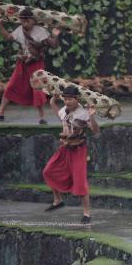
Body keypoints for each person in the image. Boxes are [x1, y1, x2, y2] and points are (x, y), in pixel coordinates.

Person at [42, 85, 100, 224]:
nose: (67, 101)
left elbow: (96, 130)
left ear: (77, 99)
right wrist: (52, 103)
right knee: (48, 171)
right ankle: (58, 200)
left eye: (70, 99)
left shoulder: (84, 113)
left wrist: (92, 117)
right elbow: (60, 116)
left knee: (80, 182)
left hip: (79, 150)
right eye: (65, 99)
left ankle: (87, 214)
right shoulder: (64, 110)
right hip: (65, 148)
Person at [0, 7, 60, 124]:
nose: (25, 23)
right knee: (11, 86)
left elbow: (54, 45)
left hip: (36, 63)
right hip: (23, 62)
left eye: (27, 21)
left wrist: (55, 35)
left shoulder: (41, 31)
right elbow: (9, 37)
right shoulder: (20, 30)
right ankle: (0, 113)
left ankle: (42, 117)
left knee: (37, 89)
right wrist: (0, 26)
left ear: (33, 20)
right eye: (23, 21)